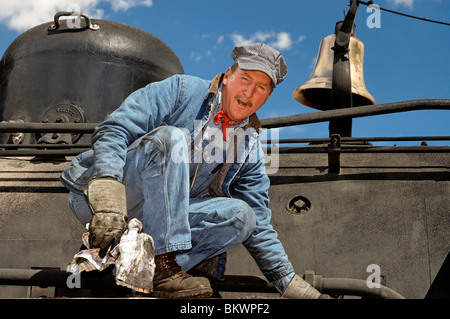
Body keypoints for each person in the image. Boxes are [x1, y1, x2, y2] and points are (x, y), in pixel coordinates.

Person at [60, 42, 328, 299]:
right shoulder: (181, 90)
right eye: (245, 79)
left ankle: (146, 270)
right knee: (172, 139)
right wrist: (108, 196)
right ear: (226, 77)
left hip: (159, 220)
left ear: (267, 97)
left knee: (244, 217)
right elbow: (115, 129)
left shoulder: (250, 148)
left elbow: (259, 220)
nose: (249, 93)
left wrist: (287, 280)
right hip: (106, 199)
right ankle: (163, 266)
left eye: (261, 88)